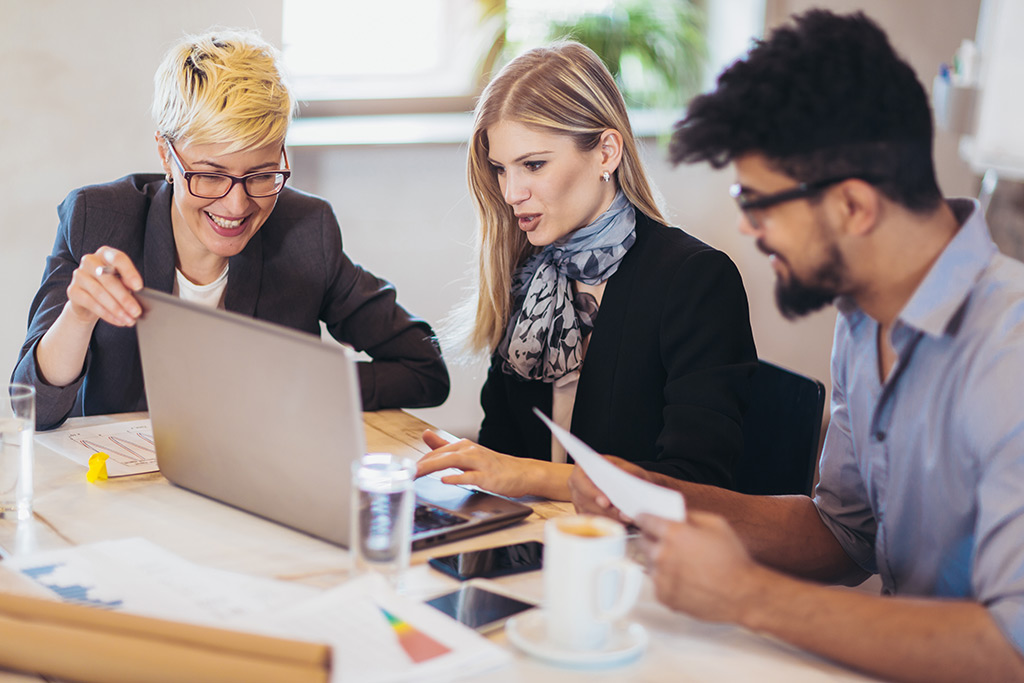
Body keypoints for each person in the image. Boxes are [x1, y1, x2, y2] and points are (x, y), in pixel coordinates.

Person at [568, 10, 1024, 682]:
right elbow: (845, 534)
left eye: (758, 202)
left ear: (853, 206)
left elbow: (1010, 648)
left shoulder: (1008, 350)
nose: (747, 228)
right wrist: (660, 494)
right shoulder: (864, 317)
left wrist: (747, 594)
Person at [13, 29, 449, 431]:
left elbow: (424, 368)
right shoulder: (99, 219)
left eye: (261, 175)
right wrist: (79, 316)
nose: (237, 205)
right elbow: (34, 409)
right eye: (210, 175)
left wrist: (299, 386)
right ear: (167, 155)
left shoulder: (305, 231)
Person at [416, 41, 756, 501]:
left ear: (606, 153)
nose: (512, 192)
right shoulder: (530, 274)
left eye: (533, 165)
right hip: (538, 539)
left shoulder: (695, 280)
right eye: (500, 169)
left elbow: (696, 483)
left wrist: (527, 477)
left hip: (637, 554)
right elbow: (503, 447)